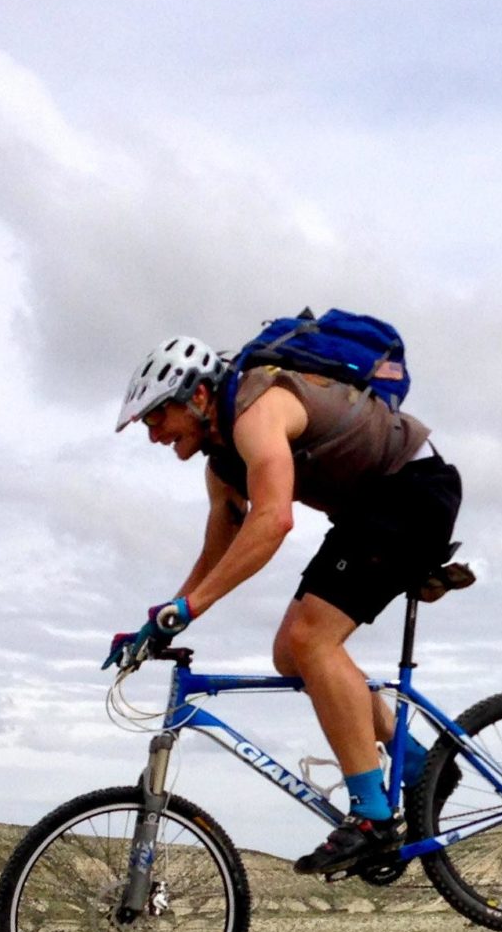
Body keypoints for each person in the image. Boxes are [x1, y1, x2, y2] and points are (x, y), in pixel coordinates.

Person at [107, 333, 462, 876]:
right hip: (373, 510)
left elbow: (272, 521)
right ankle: (416, 764)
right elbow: (219, 546)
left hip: (412, 492)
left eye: (158, 417)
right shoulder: (222, 461)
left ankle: (372, 816)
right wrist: (163, 619)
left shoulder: (258, 409)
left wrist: (189, 609)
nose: (153, 434)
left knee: (311, 638)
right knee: (290, 653)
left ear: (198, 397)